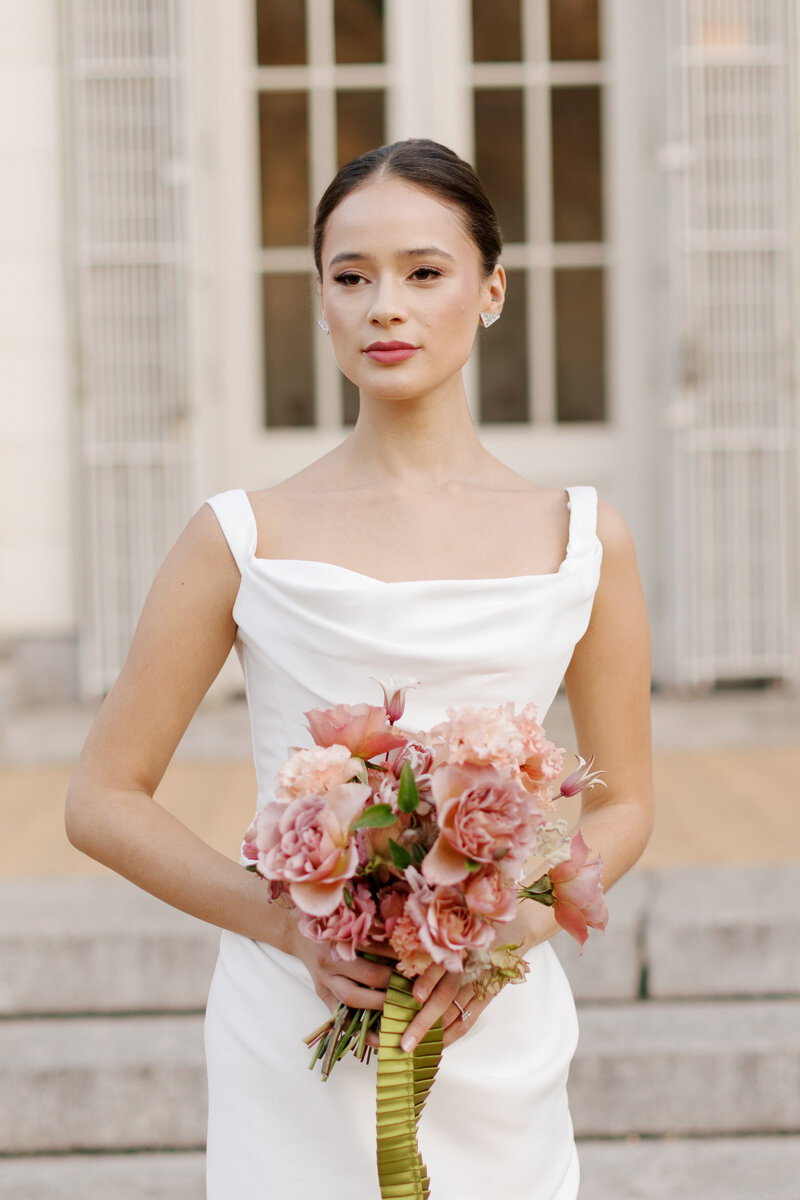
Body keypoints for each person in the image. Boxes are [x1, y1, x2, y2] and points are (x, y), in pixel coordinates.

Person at [66, 138, 653, 1199]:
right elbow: (102, 799)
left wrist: (509, 925)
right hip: (295, 1022)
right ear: (321, 301)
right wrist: (290, 927)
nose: (386, 307)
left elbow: (627, 806)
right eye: (351, 277)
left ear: (491, 290)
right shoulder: (240, 536)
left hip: (491, 1021)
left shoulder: (582, 538)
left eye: (424, 272)